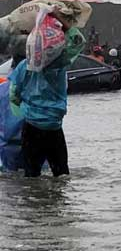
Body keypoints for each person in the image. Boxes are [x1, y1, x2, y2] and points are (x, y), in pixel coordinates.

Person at [8, 21, 85, 177]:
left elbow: (14, 96)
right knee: (61, 174)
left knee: (32, 175)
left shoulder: (24, 66)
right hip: (54, 127)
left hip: (31, 127)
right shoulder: (59, 65)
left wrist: (25, 107)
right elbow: (78, 42)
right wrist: (66, 24)